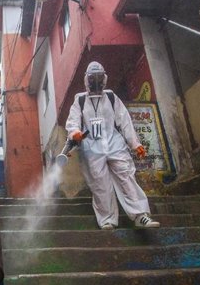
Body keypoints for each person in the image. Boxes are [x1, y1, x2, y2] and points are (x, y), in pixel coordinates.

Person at [65, 61, 160, 230]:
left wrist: (134, 143)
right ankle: (107, 220)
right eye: (93, 78)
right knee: (100, 184)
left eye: (99, 78)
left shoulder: (110, 97)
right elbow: (72, 121)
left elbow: (124, 120)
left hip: (114, 143)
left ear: (104, 79)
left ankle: (140, 216)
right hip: (92, 149)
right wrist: (75, 134)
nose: (96, 81)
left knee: (126, 177)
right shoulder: (79, 100)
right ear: (87, 79)